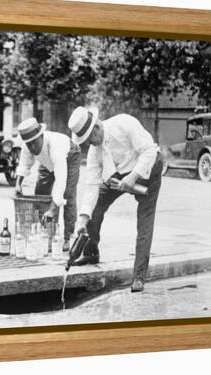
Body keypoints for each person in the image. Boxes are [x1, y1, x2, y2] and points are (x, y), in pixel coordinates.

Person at [67, 107, 162, 292]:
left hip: (148, 169)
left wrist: (133, 177)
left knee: (144, 222)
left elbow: (149, 151)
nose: (89, 144)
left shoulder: (124, 123)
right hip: (118, 176)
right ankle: (91, 251)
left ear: (96, 127)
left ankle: (139, 277)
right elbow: (92, 186)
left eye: (89, 139)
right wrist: (82, 220)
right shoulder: (95, 151)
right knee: (95, 208)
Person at [15, 117, 81, 251]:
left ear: (41, 136)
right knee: (40, 193)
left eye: (34, 143)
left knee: (67, 195)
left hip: (69, 156)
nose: (33, 147)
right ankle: (45, 233)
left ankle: (68, 237)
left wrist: (52, 208)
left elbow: (60, 179)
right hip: (46, 162)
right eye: (29, 144)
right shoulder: (27, 145)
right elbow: (24, 164)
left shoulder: (56, 146)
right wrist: (18, 184)